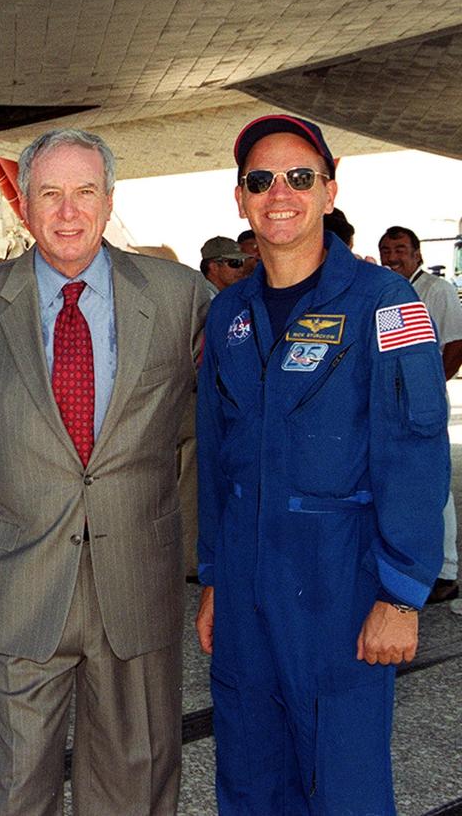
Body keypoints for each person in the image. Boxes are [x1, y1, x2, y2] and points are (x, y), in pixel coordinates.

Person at [0, 127, 208, 815]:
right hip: (24, 586)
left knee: (134, 782)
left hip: (137, 583)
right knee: (20, 785)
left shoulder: (180, 296)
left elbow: (226, 428)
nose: (68, 210)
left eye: (85, 192)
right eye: (49, 193)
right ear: (22, 203)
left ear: (109, 199)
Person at [196, 114, 448, 814]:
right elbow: (218, 456)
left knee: (344, 782)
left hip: (339, 582)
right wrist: (214, 575)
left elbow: (415, 450)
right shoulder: (229, 316)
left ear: (330, 191)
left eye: (300, 177)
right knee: (249, 774)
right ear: (241, 198)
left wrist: (400, 594)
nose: (281, 192)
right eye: (262, 179)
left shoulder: (385, 304)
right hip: (245, 583)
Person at [379, 224, 462, 604]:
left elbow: (455, 347)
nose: (392, 256)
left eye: (399, 248)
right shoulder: (389, 291)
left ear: (417, 253)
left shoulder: (437, 290)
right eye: (386, 249)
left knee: (434, 482)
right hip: (394, 405)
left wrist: (425, 392)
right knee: (405, 482)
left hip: (425, 403)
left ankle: (447, 570)